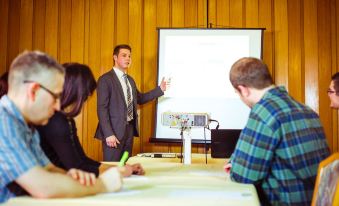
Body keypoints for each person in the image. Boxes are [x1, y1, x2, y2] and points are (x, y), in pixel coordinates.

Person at [0, 51, 122, 203]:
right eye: (56, 96)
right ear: (33, 91)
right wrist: (102, 185)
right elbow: (43, 187)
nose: (58, 106)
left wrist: (73, 176)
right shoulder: (4, 123)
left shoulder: (26, 126)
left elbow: (48, 169)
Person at [224, 57, 330, 205]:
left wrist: (236, 165)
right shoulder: (305, 109)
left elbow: (244, 177)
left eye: (238, 93)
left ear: (243, 89)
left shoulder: (264, 111)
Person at [37, 63, 144, 177]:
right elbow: (77, 167)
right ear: (74, 92)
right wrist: (118, 171)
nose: (84, 103)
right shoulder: (56, 121)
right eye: (84, 97)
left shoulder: (67, 120)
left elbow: (83, 160)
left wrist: (120, 168)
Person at [95, 44, 168, 161]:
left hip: (129, 131)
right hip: (113, 133)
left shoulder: (130, 80)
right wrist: (108, 134)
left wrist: (159, 90)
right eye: (124, 55)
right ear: (115, 57)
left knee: (125, 166)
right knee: (112, 168)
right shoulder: (105, 79)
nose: (128, 59)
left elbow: (140, 99)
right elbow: (101, 109)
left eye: (129, 56)